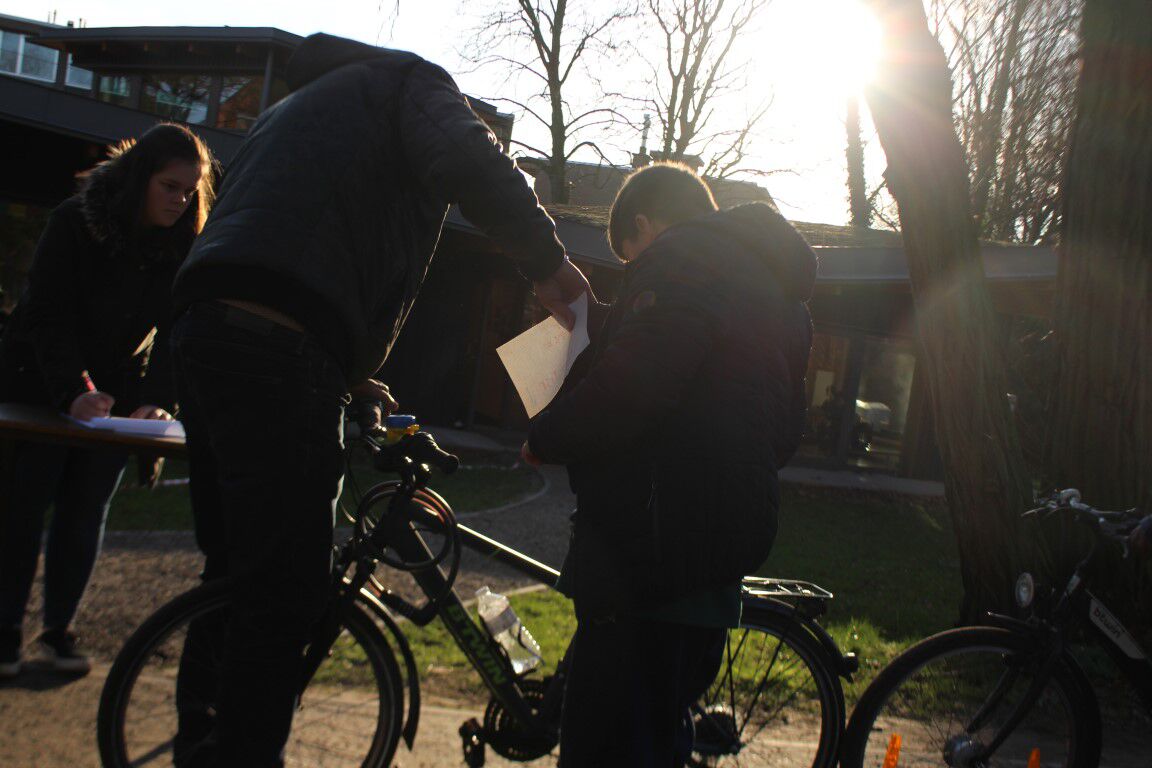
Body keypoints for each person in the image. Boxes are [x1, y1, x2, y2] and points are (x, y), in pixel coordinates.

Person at [167, 33, 588, 767]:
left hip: (204, 330)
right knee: (285, 591)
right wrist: (551, 267)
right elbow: (472, 161)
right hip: (281, 344)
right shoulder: (413, 82)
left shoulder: (297, 108)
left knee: (234, 570)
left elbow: (289, 235)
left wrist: (346, 368)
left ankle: (197, 742)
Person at [524, 163, 817, 766]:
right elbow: (781, 431)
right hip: (717, 562)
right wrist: (595, 323)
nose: (635, 267)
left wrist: (544, 438)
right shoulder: (779, 296)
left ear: (644, 225)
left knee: (607, 749)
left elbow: (637, 384)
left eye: (629, 255)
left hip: (648, 557)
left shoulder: (680, 258)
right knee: (659, 736)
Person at [0, 123, 216, 678]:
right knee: (22, 509)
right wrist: (74, 389)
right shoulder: (74, 222)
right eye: (170, 186)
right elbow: (45, 314)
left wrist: (158, 401)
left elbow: (179, 327)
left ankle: (58, 631)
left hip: (116, 396)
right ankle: (3, 634)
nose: (180, 200)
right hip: (37, 385)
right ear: (141, 177)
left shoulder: (182, 243)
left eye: (190, 191)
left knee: (86, 510)